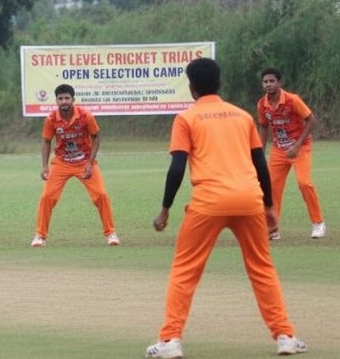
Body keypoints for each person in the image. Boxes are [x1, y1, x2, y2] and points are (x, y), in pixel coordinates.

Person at [146, 58, 306, 358]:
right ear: (219, 84)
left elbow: (177, 167)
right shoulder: (242, 116)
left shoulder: (186, 118)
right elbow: (260, 163)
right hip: (249, 199)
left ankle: (170, 341)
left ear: (192, 88)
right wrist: (269, 206)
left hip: (208, 203)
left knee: (185, 271)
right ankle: (285, 336)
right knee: (262, 269)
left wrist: (165, 209)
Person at [32, 84, 118, 247]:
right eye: (60, 98)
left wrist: (90, 163)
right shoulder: (51, 119)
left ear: (73, 99)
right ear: (56, 101)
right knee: (47, 197)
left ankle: (111, 233)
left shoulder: (85, 116)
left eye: (67, 98)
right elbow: (46, 141)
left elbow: (96, 137)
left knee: (101, 195)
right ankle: (40, 236)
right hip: (61, 162)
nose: (64, 101)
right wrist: (44, 166)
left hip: (84, 161)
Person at [256, 68, 326, 240]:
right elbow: (264, 126)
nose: (268, 84)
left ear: (279, 83)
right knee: (271, 188)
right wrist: (260, 151)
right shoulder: (262, 104)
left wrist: (297, 145)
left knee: (304, 183)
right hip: (279, 150)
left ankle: (318, 223)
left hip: (300, 148)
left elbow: (312, 120)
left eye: (272, 81)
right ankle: (272, 229)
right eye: (265, 82)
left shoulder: (292, 100)